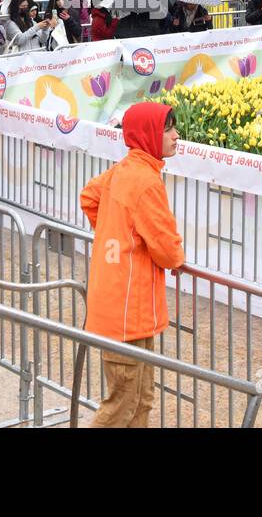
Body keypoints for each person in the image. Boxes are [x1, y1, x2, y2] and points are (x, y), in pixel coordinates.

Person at [80, 102, 185, 428]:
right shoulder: (144, 181)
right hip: (126, 312)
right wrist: (176, 258)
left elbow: (89, 197)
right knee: (123, 405)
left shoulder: (127, 170)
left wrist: (115, 232)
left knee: (140, 400)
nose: (176, 136)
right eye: (168, 129)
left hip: (128, 310)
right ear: (149, 134)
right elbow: (167, 249)